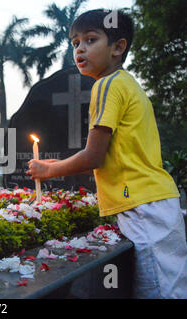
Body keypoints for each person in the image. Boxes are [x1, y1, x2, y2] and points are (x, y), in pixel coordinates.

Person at [27, 9, 186, 299]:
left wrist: (48, 170)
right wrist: (60, 163)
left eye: (90, 39)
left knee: (158, 293)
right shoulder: (128, 84)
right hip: (157, 202)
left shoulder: (106, 86)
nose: (80, 48)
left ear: (118, 47)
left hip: (141, 208)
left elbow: (94, 158)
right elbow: (114, 158)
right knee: (173, 288)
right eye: (75, 43)